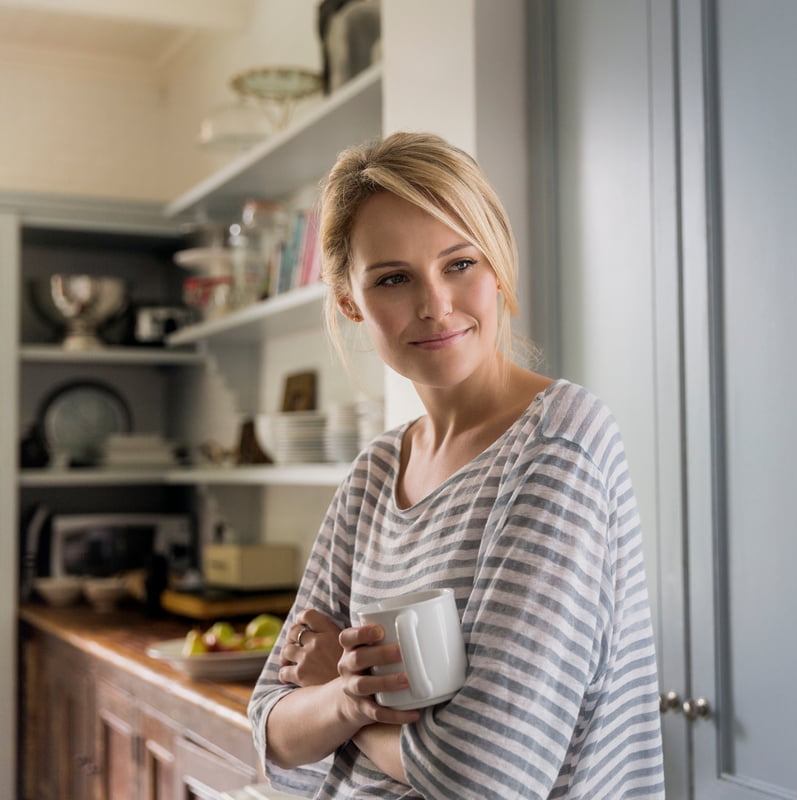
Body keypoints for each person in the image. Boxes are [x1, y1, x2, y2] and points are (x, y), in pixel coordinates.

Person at [248, 131, 666, 799]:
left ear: (498, 264)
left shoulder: (558, 444)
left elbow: (484, 778)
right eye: (393, 278)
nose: (435, 304)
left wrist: (333, 695)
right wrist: (354, 701)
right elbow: (271, 735)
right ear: (351, 301)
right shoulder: (375, 473)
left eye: (460, 263)